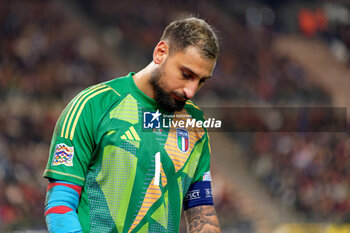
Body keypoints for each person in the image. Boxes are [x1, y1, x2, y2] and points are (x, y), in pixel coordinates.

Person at [43, 17, 221, 233]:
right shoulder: (93, 106)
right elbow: (60, 205)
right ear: (161, 52)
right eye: (186, 74)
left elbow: (202, 213)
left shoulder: (195, 124)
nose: (191, 91)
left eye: (201, 81)